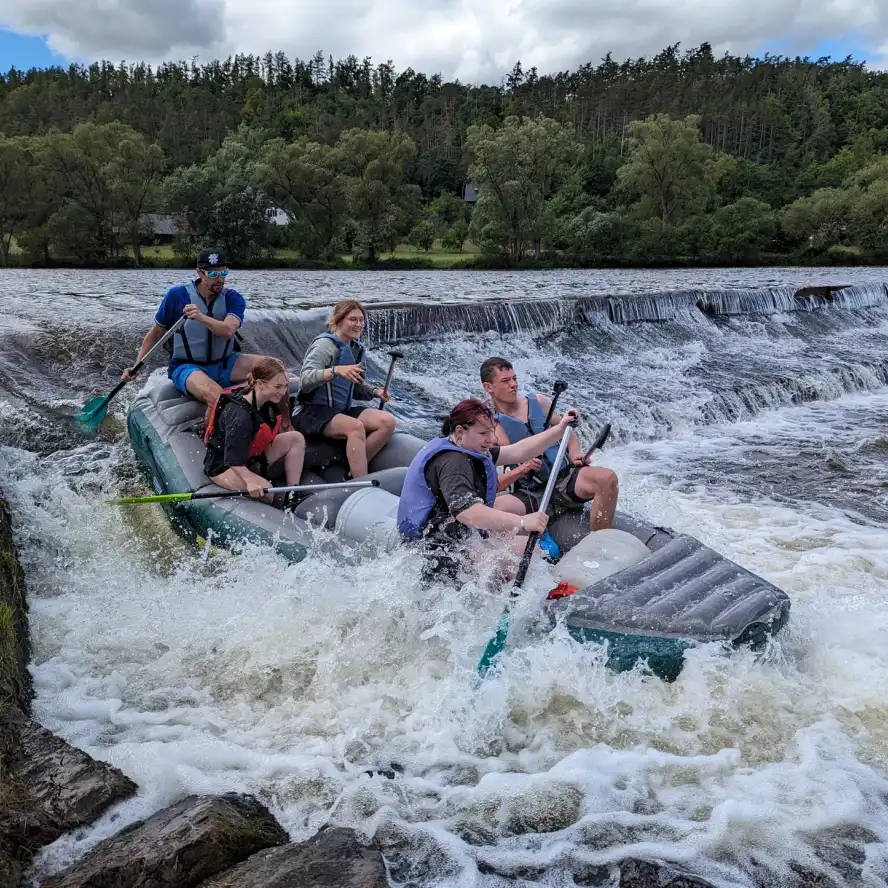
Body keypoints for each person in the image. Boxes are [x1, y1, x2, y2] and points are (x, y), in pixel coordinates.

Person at [397, 398, 581, 580]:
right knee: (524, 552)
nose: (491, 439)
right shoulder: (452, 462)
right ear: (460, 431)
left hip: (456, 538)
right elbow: (467, 512)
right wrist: (522, 522)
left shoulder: (468, 447)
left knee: (528, 548)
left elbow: (519, 451)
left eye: (491, 431)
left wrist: (560, 429)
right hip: (434, 551)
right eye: (483, 433)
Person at [122, 247, 279, 421]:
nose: (219, 279)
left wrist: (201, 317)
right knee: (218, 397)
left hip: (225, 363)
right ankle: (213, 440)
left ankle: (285, 423)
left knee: (275, 367)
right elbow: (157, 331)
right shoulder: (177, 296)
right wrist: (136, 365)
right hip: (187, 366)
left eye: (223, 272)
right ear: (199, 272)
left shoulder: (233, 298)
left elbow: (227, 331)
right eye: (212, 274)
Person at [480, 357, 618, 531]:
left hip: (565, 479)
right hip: (531, 493)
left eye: (514, 378)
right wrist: (521, 469)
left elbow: (568, 432)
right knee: (494, 508)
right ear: (488, 387)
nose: (513, 384)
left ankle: (599, 540)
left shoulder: (539, 402)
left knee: (607, 479)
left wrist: (575, 453)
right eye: (506, 381)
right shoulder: (489, 428)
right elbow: (490, 482)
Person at [293, 300, 396, 478]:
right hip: (312, 412)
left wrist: (375, 392)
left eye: (361, 320)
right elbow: (305, 381)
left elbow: (355, 390)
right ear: (338, 321)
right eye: (353, 319)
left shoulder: (357, 350)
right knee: (355, 427)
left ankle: (351, 470)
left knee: (388, 421)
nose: (359, 324)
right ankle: (360, 482)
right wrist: (335, 370)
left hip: (342, 410)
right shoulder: (325, 346)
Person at [203, 357, 306, 506]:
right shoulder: (240, 418)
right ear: (260, 384)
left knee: (296, 438)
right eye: (277, 387)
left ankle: (293, 492)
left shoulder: (265, 400)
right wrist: (250, 482)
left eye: (285, 386)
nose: (283, 392)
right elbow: (233, 460)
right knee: (267, 493)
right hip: (223, 465)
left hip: (249, 454)